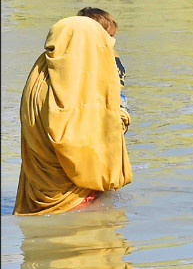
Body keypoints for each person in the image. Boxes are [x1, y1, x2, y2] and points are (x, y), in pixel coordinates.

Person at [14, 16, 132, 215]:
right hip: (76, 197)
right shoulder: (80, 82)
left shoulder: (39, 77)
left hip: (38, 190)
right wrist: (120, 117)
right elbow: (77, 141)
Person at [77, 7, 129, 116]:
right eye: (107, 36)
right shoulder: (79, 57)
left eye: (112, 36)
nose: (112, 41)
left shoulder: (111, 55)